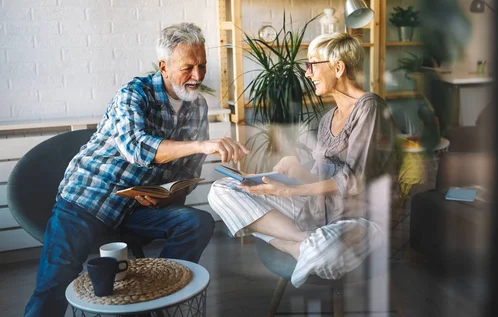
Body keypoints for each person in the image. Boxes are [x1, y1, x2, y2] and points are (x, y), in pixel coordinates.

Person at [24, 22, 248, 317]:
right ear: (164, 66)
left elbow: (187, 174)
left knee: (197, 223)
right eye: (188, 67)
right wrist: (202, 145)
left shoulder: (198, 107)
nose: (197, 76)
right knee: (53, 283)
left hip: (135, 210)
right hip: (87, 201)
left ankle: (156, 297)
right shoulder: (133, 93)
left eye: (202, 66)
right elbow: (136, 147)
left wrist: (163, 197)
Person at [208, 32, 398, 287]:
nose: (307, 74)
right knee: (222, 190)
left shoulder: (369, 108)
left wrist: (290, 189)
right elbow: (323, 179)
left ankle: (300, 245)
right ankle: (301, 243)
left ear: (338, 67)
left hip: (360, 219)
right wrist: (296, 172)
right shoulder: (327, 118)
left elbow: (354, 180)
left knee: (323, 251)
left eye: (312, 65)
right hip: (320, 213)